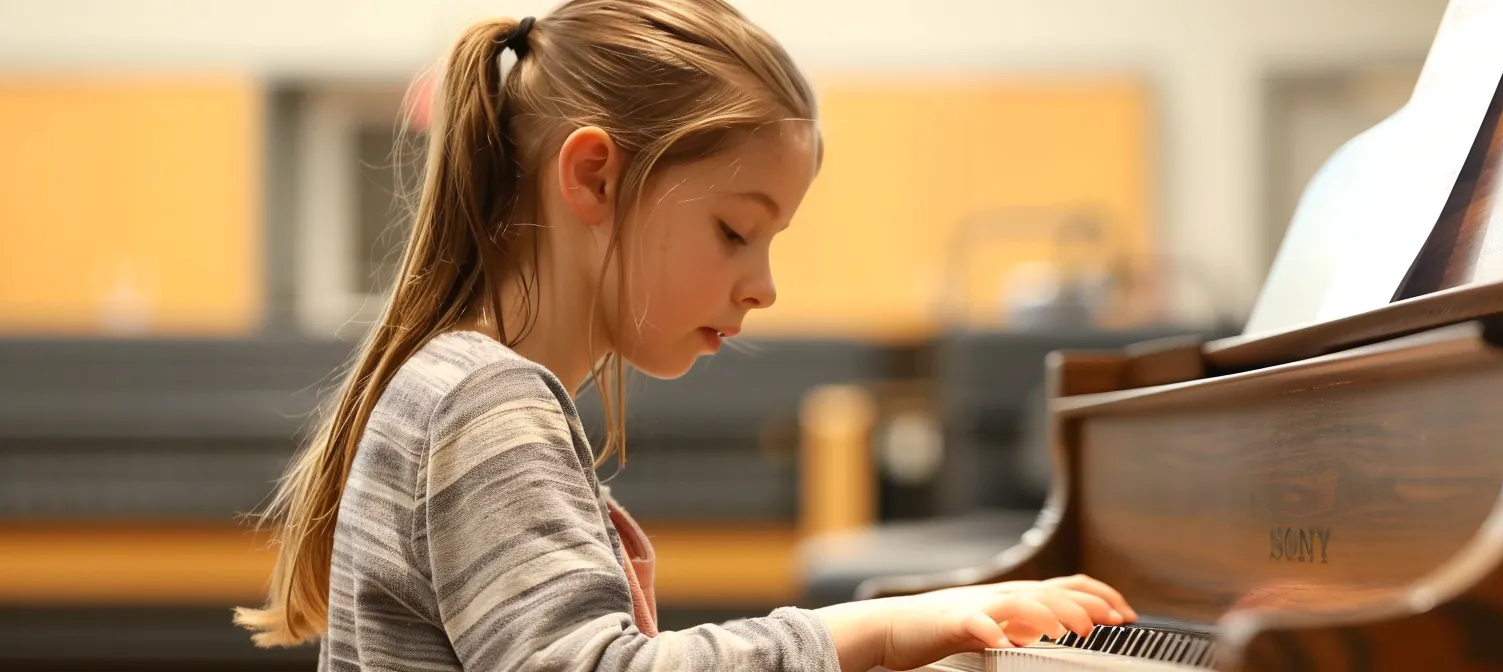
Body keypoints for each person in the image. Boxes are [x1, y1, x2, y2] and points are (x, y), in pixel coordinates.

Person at [233, 1, 1137, 670]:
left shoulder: (460, 385)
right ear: (593, 178)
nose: (765, 286)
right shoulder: (487, 401)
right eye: (735, 231)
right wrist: (884, 628)